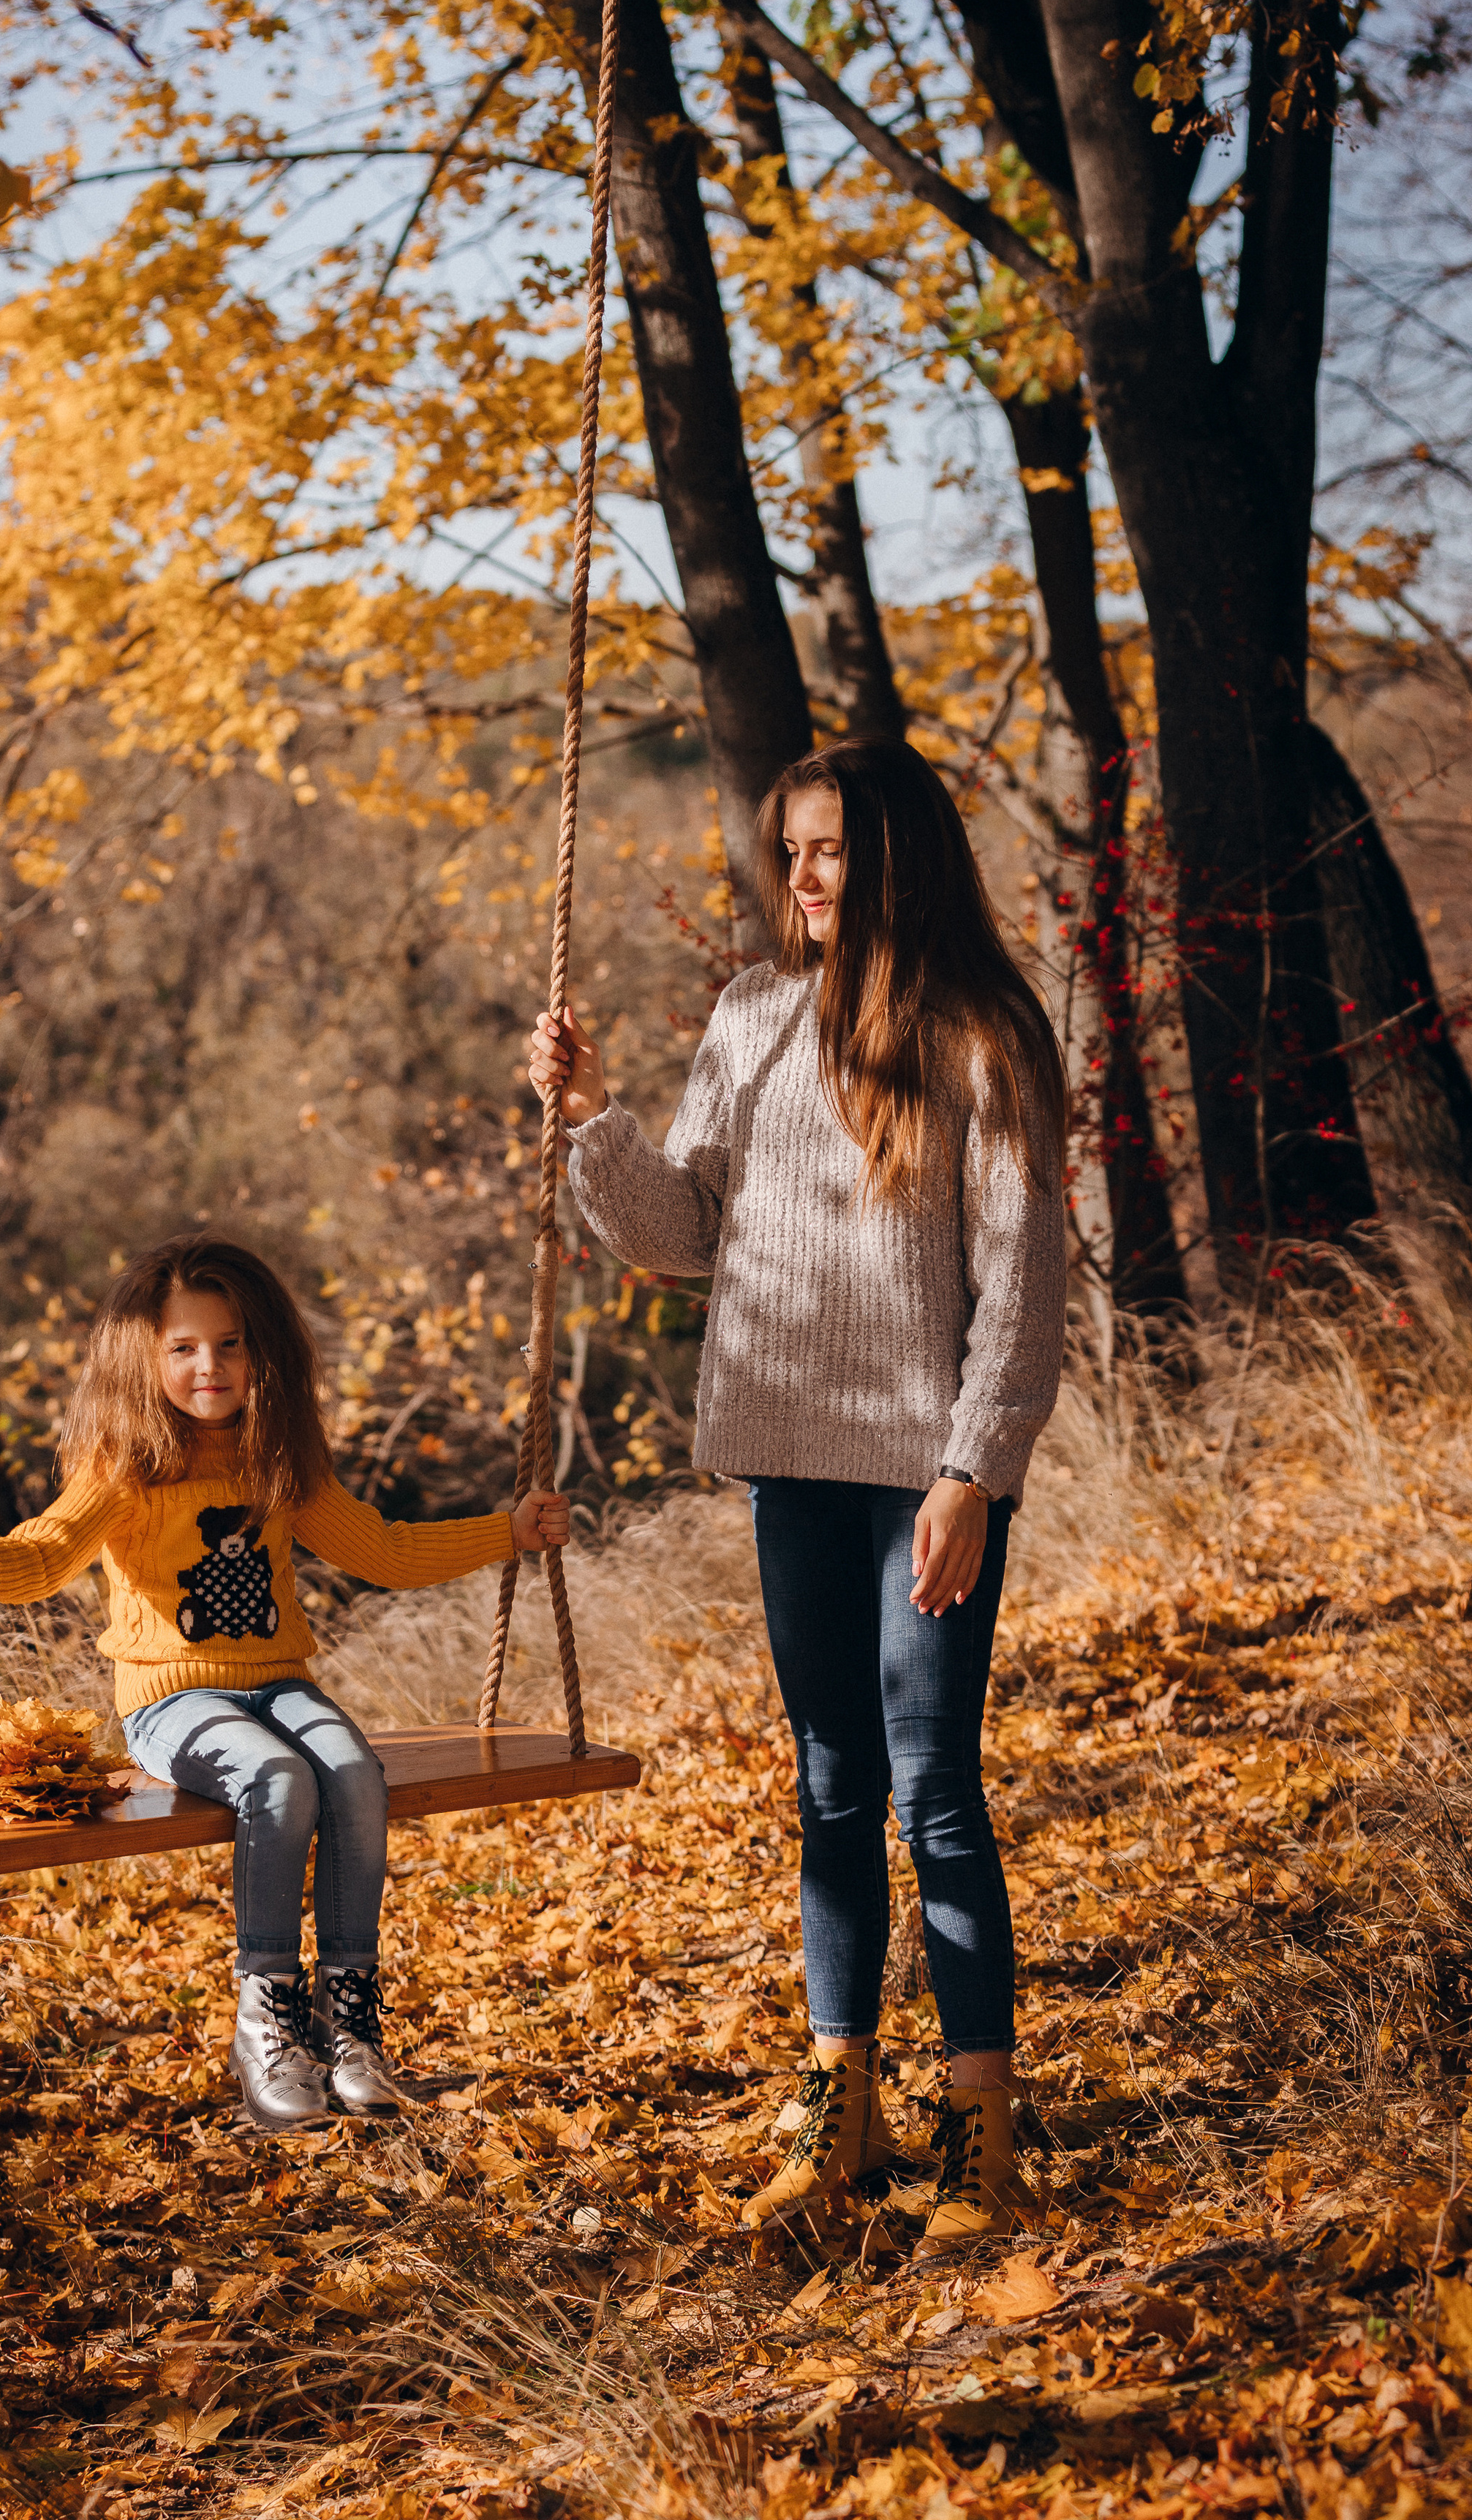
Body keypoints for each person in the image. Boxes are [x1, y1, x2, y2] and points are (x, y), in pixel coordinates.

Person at [529, 740, 1067, 2254]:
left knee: (935, 1793)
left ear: (896, 856)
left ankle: (980, 2131)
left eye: (829, 848)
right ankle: (845, 2104)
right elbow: (682, 1233)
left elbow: (1022, 1280)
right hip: (788, 1465)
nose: (803, 876)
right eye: (790, 851)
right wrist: (595, 1116)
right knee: (829, 1787)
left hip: (927, 1481)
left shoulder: (982, 1036)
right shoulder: (750, 1016)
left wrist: (972, 1473)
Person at [0, 1234, 567, 2131]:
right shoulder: (124, 1465)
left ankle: (350, 2026)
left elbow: (387, 1549)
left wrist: (509, 1531)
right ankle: (264, 2014)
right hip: (168, 1702)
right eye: (182, 1348)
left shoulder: (277, 1460)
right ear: (144, 1359)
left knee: (350, 1770)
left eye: (229, 1344)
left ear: (263, 1352)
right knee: (277, 1777)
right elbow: (44, 1554)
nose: (208, 1366)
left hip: (277, 1682)